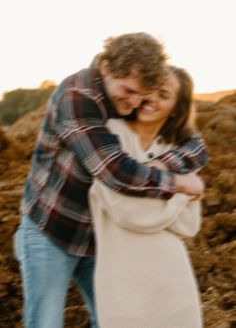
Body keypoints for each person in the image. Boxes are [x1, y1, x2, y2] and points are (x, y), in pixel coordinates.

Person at [14, 32, 207, 328]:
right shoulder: (76, 97)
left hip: (100, 239)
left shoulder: (132, 101)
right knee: (45, 322)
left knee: (110, 320)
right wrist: (178, 182)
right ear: (105, 67)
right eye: (128, 91)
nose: (134, 103)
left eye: (142, 94)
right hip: (52, 231)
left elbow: (194, 144)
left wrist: (156, 164)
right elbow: (116, 172)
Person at [90, 66, 204, 328]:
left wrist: (154, 197)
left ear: (175, 107)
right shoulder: (110, 137)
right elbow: (130, 214)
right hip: (123, 284)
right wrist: (181, 193)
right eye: (150, 89)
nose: (152, 98)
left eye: (163, 94)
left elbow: (189, 226)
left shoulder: (178, 150)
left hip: (173, 280)